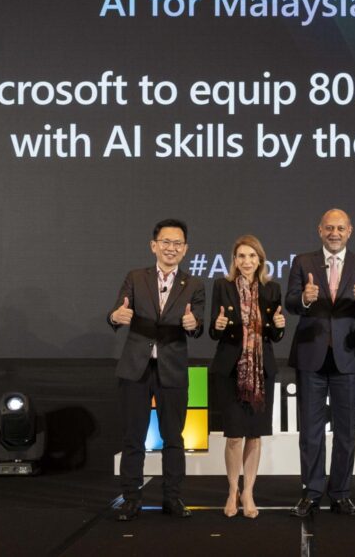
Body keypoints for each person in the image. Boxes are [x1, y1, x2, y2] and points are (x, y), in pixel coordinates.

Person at [108, 218, 205, 521]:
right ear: (154, 246)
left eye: (177, 243)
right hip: (136, 369)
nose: (171, 248)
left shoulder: (195, 285)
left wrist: (194, 324)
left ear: (185, 249)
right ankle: (132, 499)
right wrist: (115, 316)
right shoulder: (136, 278)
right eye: (165, 242)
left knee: (174, 438)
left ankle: (172, 498)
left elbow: (197, 325)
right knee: (132, 437)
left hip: (172, 369)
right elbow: (116, 313)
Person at [286, 208, 355, 517]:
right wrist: (305, 298)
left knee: (346, 432)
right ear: (320, 230)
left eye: (340, 228)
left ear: (350, 230)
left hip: (348, 359)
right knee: (310, 432)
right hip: (311, 356)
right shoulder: (303, 262)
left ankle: (340, 493)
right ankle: (311, 492)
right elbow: (290, 302)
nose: (334, 233)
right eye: (329, 228)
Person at [209, 235, 286, 519]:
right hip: (230, 369)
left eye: (252, 256)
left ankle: (248, 492)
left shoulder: (272, 289)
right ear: (234, 260)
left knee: (254, 435)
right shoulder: (222, 286)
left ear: (260, 260)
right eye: (241, 256)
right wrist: (218, 326)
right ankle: (232, 490)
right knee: (233, 436)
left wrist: (279, 326)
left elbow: (276, 336)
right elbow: (214, 332)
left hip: (261, 370)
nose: (246, 262)